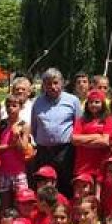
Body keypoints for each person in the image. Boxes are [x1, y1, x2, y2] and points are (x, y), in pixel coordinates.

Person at [30, 68, 82, 198]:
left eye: (55, 83)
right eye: (48, 83)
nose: (52, 87)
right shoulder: (37, 102)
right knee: (44, 187)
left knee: (65, 186)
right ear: (44, 85)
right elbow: (34, 128)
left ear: (62, 83)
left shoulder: (73, 101)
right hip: (44, 152)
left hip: (65, 151)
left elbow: (78, 126)